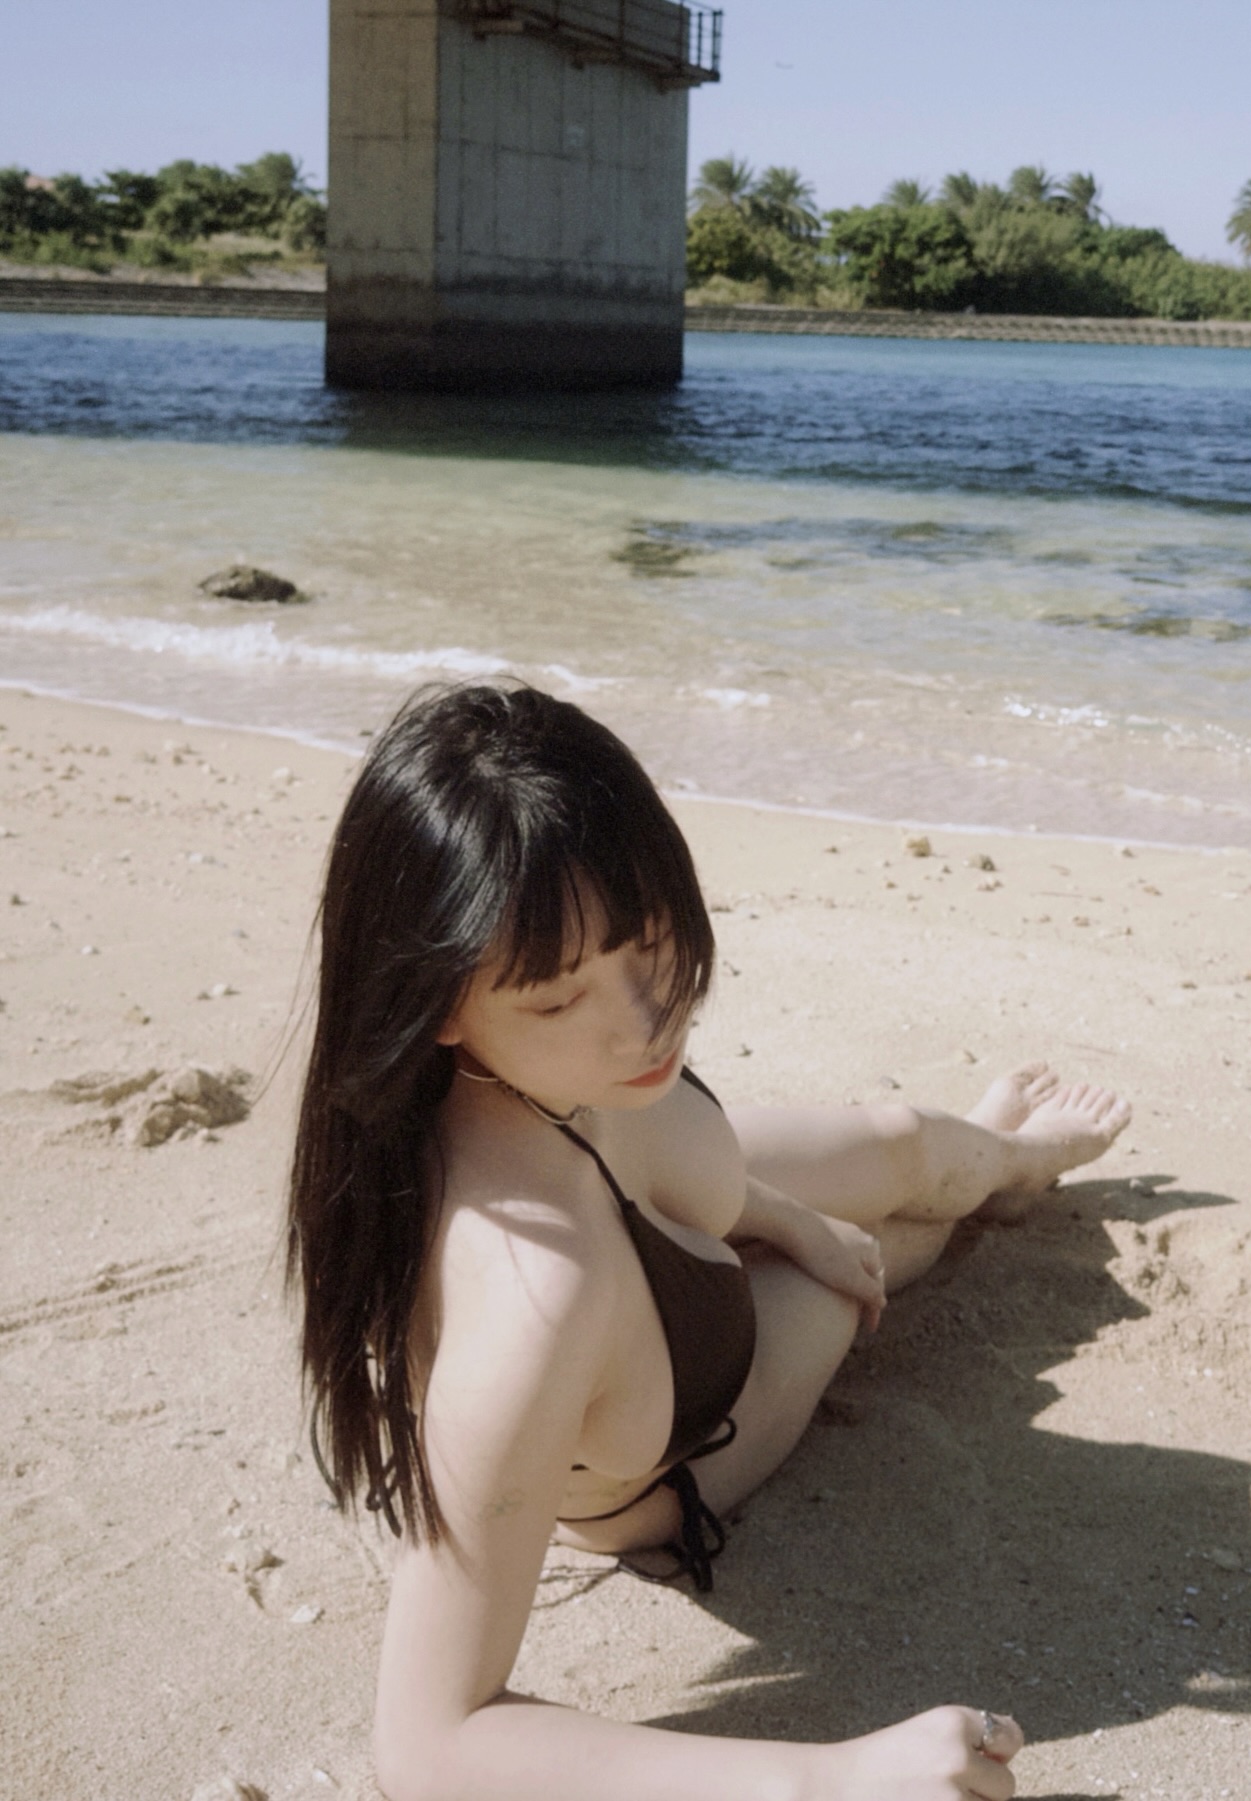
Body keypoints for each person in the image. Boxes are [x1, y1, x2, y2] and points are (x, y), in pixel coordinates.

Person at [288, 683, 1131, 1801]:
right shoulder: (530, 1300)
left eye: (647, 940)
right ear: (436, 1003)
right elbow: (426, 1743)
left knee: (901, 1143)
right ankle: (959, 1207)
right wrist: (833, 1782)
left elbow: (664, 1145)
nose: (647, 1020)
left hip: (651, 1186)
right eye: (559, 997)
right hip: (679, 1441)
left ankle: (1012, 1163)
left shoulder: (576, 1069)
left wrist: (786, 1217)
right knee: (854, 1274)